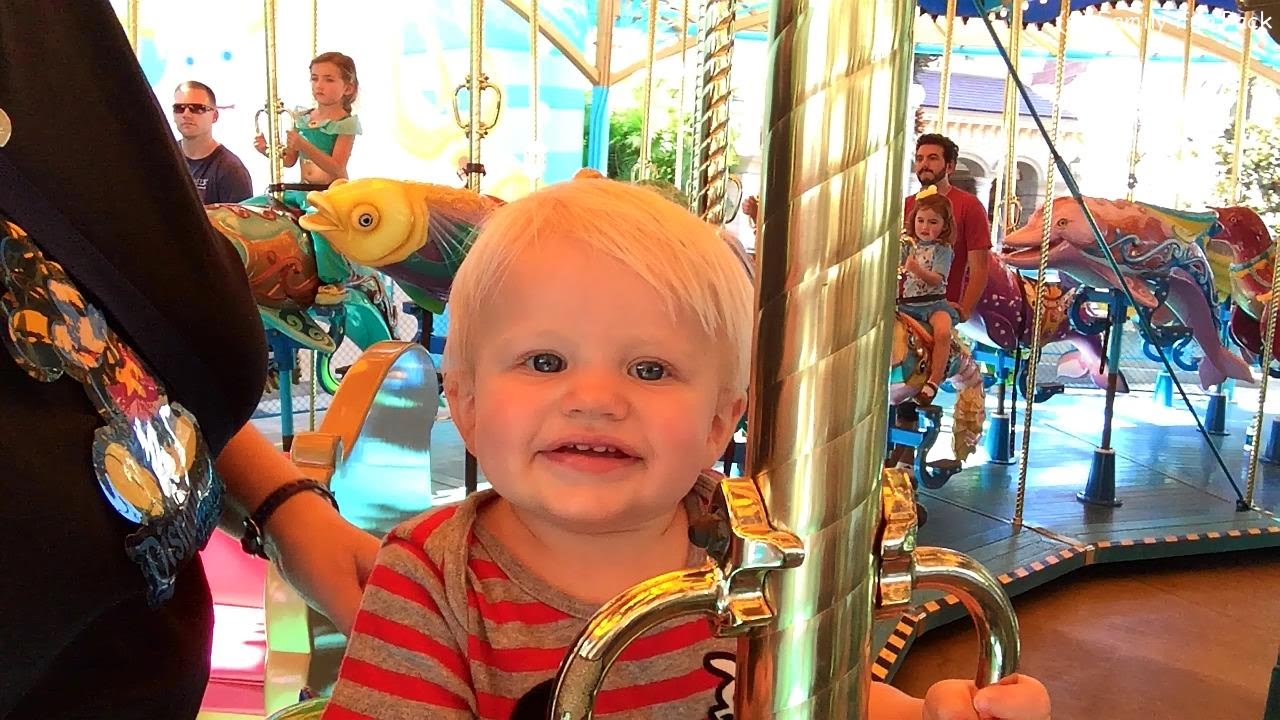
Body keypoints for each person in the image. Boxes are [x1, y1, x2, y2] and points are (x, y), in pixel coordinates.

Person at [319, 179, 1051, 719]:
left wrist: (931, 714)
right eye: (545, 362)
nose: (597, 399)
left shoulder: (757, 549)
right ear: (466, 403)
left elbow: (825, 697)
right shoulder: (434, 584)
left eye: (650, 370)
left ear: (718, 422)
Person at [0, 4, 377, 718]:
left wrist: (280, 502)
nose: (185, 115)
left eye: (194, 107)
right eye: (181, 106)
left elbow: (131, 333)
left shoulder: (49, 43)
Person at [904, 133, 990, 325]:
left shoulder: (969, 206)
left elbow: (980, 266)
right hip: (903, 303)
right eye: (919, 158)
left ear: (949, 166)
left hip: (939, 306)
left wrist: (965, 310)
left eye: (932, 158)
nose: (924, 164)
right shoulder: (907, 205)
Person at [255, 51, 361, 189]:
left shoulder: (344, 124)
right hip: (304, 188)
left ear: (347, 88)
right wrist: (266, 150)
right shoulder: (303, 119)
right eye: (315, 79)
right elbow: (289, 160)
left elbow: (337, 168)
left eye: (328, 80)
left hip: (330, 191)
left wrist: (304, 145)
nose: (319, 85)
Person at [899, 187, 959, 405]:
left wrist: (916, 270)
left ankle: (933, 381)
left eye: (933, 222)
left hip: (934, 305)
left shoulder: (943, 249)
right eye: (921, 220)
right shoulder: (908, 246)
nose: (925, 227)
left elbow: (937, 279)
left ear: (944, 226)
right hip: (907, 305)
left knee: (942, 334)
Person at [173, 80, 253, 204]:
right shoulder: (164, 157)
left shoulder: (231, 170)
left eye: (197, 109)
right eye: (179, 108)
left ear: (215, 116)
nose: (186, 114)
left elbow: (241, 222)